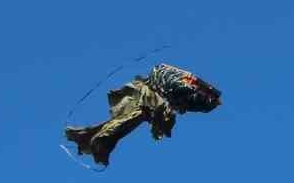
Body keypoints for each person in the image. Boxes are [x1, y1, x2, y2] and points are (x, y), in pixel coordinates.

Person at [64, 63, 222, 167]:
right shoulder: (181, 86)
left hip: (154, 96)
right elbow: (167, 81)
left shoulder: (188, 92)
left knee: (127, 121)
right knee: (127, 120)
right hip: (149, 95)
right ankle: (91, 141)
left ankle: (93, 141)